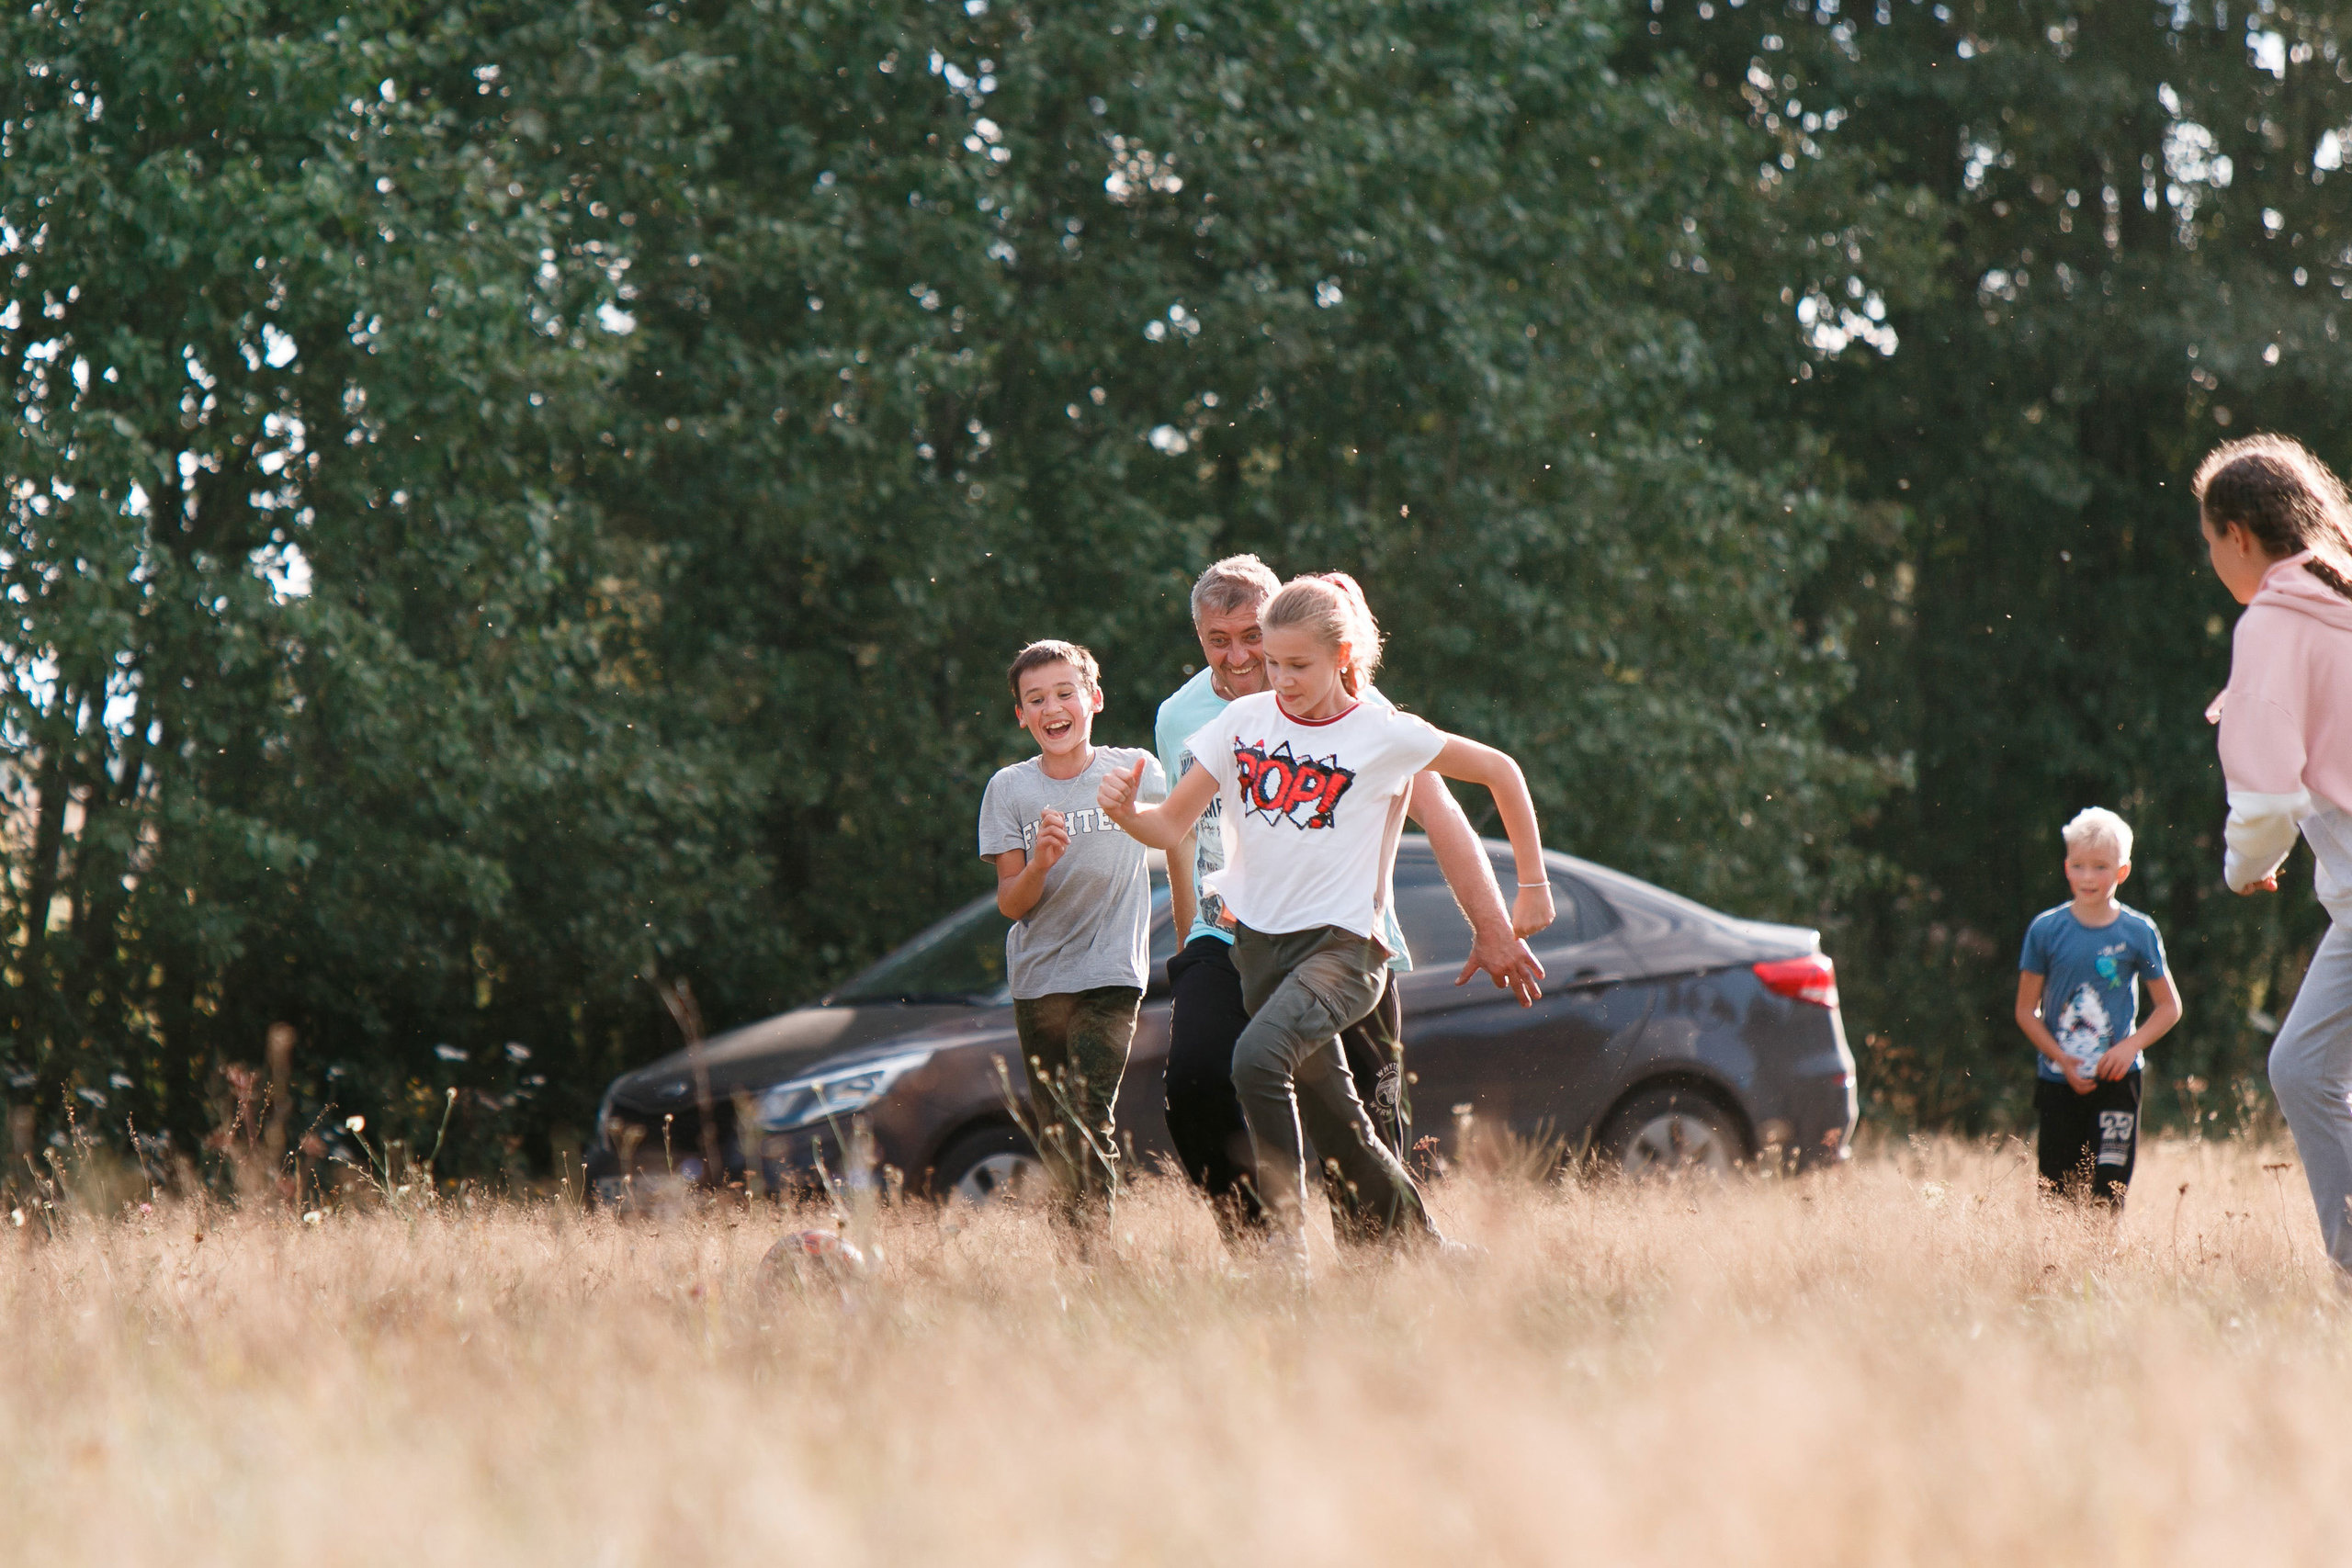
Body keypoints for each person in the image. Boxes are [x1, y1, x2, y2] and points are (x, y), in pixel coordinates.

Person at [1103, 573, 1553, 1272]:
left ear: (1343, 656)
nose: (1274, 676)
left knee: (1256, 1059)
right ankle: (1429, 1249)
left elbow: (1498, 771)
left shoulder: (1380, 729)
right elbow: (1171, 823)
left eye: (1292, 663)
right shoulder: (1238, 723)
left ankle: (1285, 1245)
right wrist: (1126, 811)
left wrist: (1528, 891)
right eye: (1271, 662)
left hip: (1346, 950)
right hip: (1259, 950)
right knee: (1340, 1121)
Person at [2196, 434, 2352, 1274]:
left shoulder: (2275, 621)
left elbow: (2262, 788)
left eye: (2210, 541)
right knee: (2305, 1067)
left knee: (2302, 1070)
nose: (2213, 560)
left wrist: (2242, 862)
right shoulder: (2337, 604)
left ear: (2240, 537)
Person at [976, 640, 1166, 1221]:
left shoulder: (1135, 770)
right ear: (1021, 714)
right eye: (1036, 699)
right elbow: (1011, 903)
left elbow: (1179, 839)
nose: (1052, 707)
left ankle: (1094, 1258)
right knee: (1058, 1129)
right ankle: (1074, 1256)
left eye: (1065, 693)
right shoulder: (1009, 790)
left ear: (1094, 699)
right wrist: (1039, 864)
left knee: (1088, 1110)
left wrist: (1136, 813)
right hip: (1039, 980)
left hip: (1111, 974)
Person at [2013, 807, 2181, 1208]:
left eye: (2101, 867)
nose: (2088, 877)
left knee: (2108, 1196)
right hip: (2058, 1083)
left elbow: (2169, 1007)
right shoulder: (2045, 930)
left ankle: (2102, 1270)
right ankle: (2061, 1270)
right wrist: (2061, 1059)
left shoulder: (2138, 932)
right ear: (2066, 868)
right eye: (2079, 866)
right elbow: (2024, 1011)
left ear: (2122, 871)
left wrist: (2129, 1047)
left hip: (2118, 1084)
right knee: (2056, 1195)